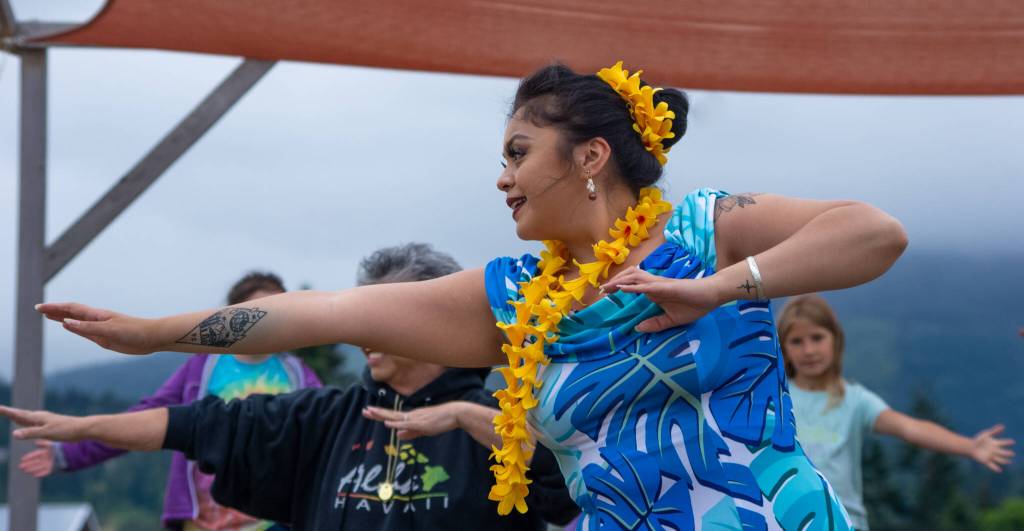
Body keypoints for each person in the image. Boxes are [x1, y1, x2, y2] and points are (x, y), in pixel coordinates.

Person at [27, 61, 911, 529]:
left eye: (519, 152)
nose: (501, 179)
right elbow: (323, 312)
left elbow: (875, 232)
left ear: (591, 156)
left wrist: (722, 286)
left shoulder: (709, 226)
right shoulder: (511, 296)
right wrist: (155, 334)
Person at [7, 244, 578, 530]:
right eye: (362, 320)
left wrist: (462, 417)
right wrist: (80, 431)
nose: (365, 337)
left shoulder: (506, 413)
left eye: (383, 320)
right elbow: (185, 423)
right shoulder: (325, 414)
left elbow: (560, 483)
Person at [19, 272, 323, 531]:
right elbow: (147, 418)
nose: (268, 321)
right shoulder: (202, 368)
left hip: (273, 521)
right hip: (202, 521)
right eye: (258, 311)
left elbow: (323, 440)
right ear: (232, 316)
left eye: (279, 312)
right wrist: (70, 453)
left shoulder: (299, 375)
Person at [778, 294, 1015, 530]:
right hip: (783, 521)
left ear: (835, 340)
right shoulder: (774, 398)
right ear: (783, 348)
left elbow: (909, 427)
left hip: (844, 522)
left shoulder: (855, 400)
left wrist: (970, 446)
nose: (808, 350)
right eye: (796, 341)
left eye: (817, 338)